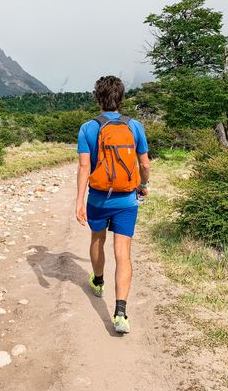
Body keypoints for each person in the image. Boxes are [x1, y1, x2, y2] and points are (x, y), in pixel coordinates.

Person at [75, 75, 150, 334]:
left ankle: (98, 281)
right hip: (127, 200)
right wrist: (143, 185)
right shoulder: (135, 126)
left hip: (98, 198)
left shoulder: (87, 128)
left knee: (97, 240)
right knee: (123, 252)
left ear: (98, 98)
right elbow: (145, 164)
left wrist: (79, 201)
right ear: (121, 98)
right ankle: (120, 312)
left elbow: (84, 166)